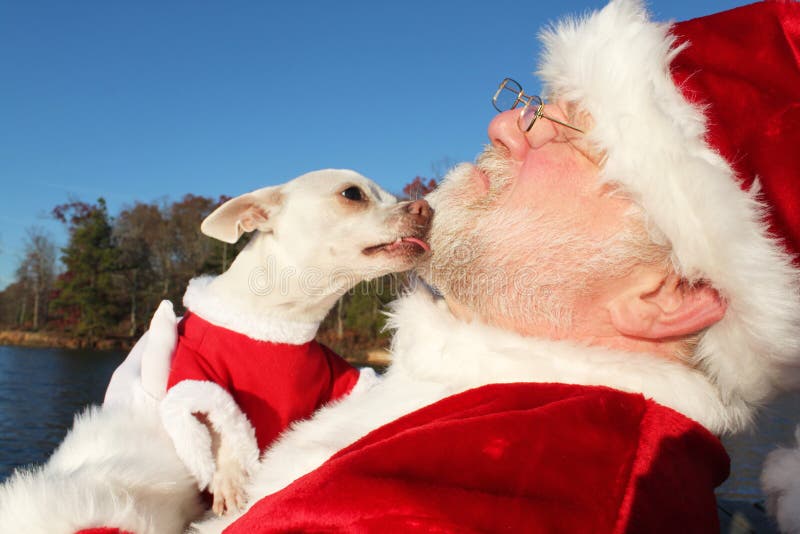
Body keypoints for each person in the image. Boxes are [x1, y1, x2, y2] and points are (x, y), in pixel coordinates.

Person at [82, 0, 800, 531]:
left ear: (668, 295)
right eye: (531, 104)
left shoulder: (511, 487)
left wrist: (99, 487)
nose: (503, 124)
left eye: (571, 133)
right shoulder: (462, 423)